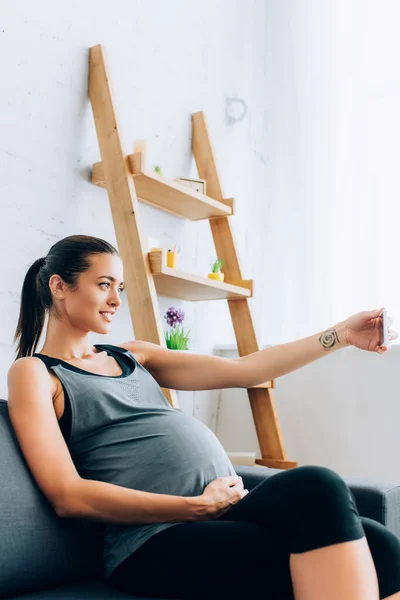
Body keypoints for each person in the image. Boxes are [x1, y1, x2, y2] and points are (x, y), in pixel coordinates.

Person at [7, 234, 400, 600]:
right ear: (59, 286)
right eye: (104, 284)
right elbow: (67, 496)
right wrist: (195, 506)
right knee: (319, 486)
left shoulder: (132, 354)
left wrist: (342, 334)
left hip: (223, 512)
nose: (116, 299)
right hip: (153, 541)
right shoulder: (36, 373)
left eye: (120, 288)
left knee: (381, 544)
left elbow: (248, 370)